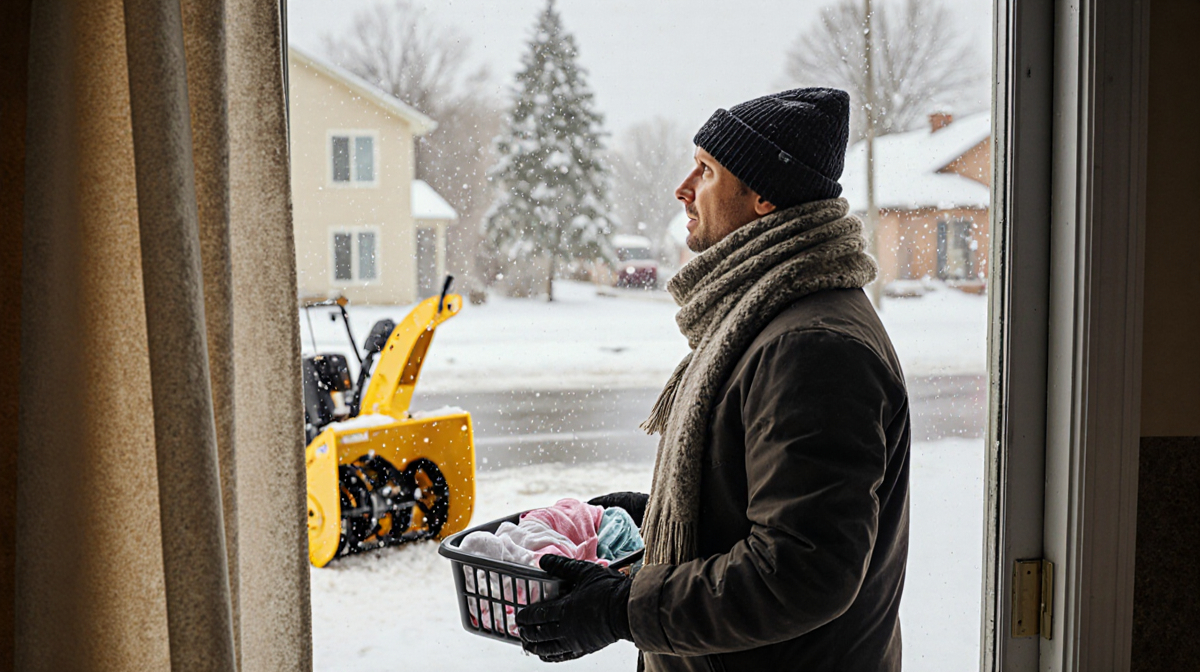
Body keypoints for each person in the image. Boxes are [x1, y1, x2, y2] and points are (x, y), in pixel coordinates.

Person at [516, 87, 911, 671]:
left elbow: (801, 571)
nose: (683, 188)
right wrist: (660, 514)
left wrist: (620, 611)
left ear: (763, 199)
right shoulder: (774, 314)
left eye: (706, 170)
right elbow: (772, 508)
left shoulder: (811, 347)